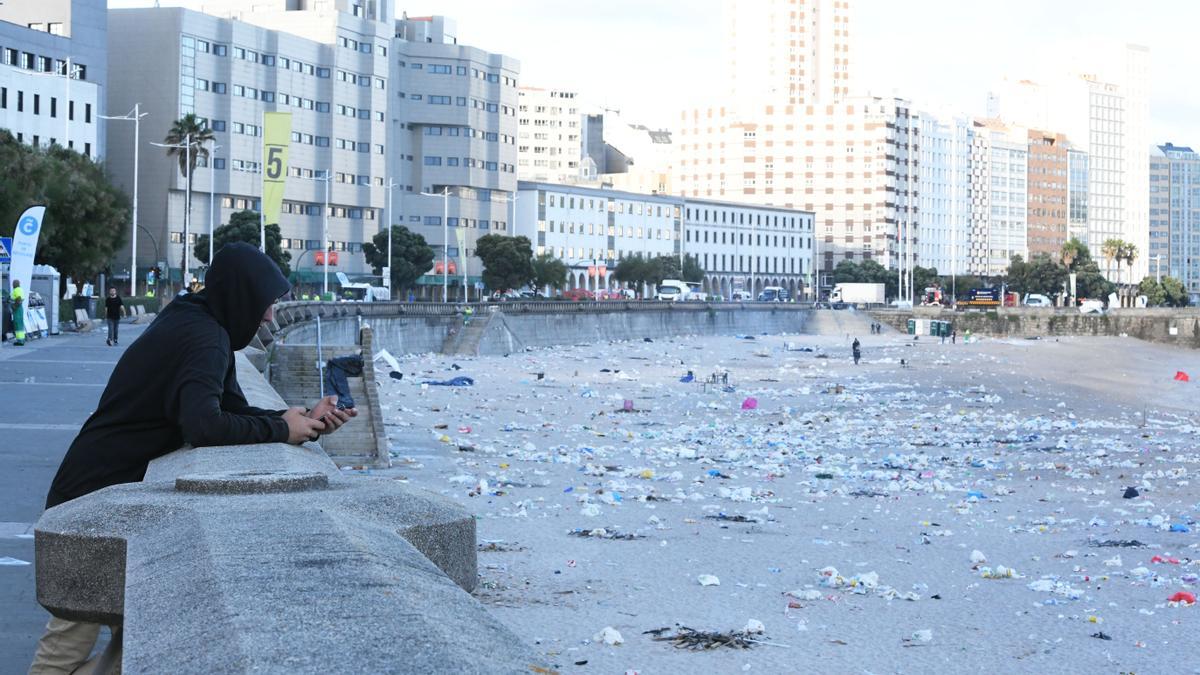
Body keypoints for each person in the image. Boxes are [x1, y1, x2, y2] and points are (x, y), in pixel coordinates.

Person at [31, 243, 356, 674]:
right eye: (265, 305)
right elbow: (203, 425)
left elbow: (228, 407)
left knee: (139, 648)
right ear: (241, 297)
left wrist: (293, 418)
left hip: (99, 495)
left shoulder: (195, 319)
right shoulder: (205, 337)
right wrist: (281, 430)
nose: (269, 318)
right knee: (68, 651)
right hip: (91, 505)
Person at [10, 279, 25, 346]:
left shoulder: (17, 290)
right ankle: (21, 340)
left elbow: (18, 299)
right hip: (19, 309)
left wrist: (14, 307)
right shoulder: (20, 289)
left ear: (15, 284)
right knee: (20, 324)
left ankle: (20, 341)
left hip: (17, 309)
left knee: (17, 324)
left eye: (13, 283)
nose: (12, 285)